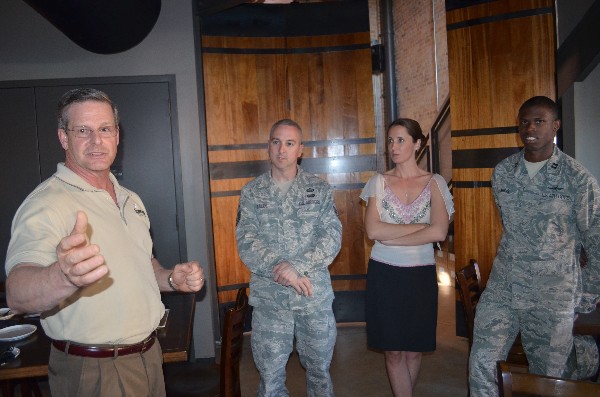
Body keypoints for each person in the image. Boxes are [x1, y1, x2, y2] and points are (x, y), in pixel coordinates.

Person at [4, 88, 205, 396]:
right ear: (63, 137)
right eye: (83, 130)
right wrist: (62, 276)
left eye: (104, 129)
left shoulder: (129, 198)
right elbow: (17, 292)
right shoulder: (46, 204)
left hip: (148, 356)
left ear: (116, 135)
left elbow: (142, 263)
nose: (96, 141)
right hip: (96, 370)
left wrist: (170, 278)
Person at [469, 96, 600, 396]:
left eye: (539, 121)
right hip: (504, 288)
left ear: (555, 126)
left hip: (551, 296)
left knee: (547, 380)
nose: (530, 128)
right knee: (482, 364)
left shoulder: (578, 179)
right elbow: (511, 228)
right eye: (525, 121)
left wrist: (584, 297)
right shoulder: (503, 172)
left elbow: (597, 243)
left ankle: (585, 358)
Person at [235, 119, 342, 397]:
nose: (282, 149)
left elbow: (331, 238)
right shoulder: (251, 192)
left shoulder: (319, 191)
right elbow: (246, 241)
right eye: (276, 142)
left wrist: (296, 267)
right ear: (269, 146)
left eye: (290, 143)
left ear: (300, 150)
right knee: (270, 380)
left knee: (319, 374)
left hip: (313, 299)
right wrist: (280, 269)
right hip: (270, 303)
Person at [360, 118, 454, 397]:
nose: (394, 146)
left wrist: (392, 236)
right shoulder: (378, 182)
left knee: (414, 352)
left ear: (417, 144)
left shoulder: (435, 182)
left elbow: (439, 232)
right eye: (390, 140)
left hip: (420, 275)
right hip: (384, 275)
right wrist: (421, 228)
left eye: (401, 140)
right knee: (393, 353)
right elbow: (372, 229)